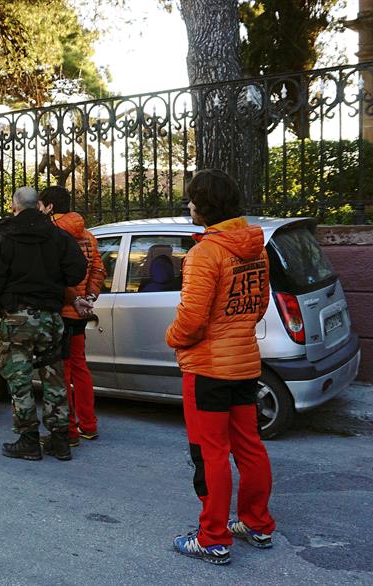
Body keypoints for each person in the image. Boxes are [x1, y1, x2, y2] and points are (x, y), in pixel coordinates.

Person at [166, 169, 275, 566]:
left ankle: (212, 537)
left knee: (210, 452)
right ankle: (257, 523)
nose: (189, 205)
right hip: (244, 362)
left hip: (207, 369)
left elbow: (192, 320)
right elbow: (259, 305)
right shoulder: (256, 249)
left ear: (205, 205)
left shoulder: (205, 253)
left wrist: (172, 337)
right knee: (249, 446)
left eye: (192, 198)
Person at [0, 186, 87, 461]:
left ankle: (28, 440)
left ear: (15, 206)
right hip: (51, 319)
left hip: (16, 319)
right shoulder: (57, 235)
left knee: (19, 380)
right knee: (54, 379)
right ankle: (60, 440)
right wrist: (54, 280)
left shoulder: (4, 237)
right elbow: (77, 271)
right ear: (38, 206)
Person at [38, 186, 105, 448]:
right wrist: (89, 297)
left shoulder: (51, 235)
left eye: (41, 206)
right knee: (80, 367)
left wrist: (73, 299)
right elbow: (98, 269)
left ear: (49, 207)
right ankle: (89, 425)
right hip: (80, 314)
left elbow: (53, 275)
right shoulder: (88, 236)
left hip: (61, 311)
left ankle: (69, 430)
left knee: (61, 372)